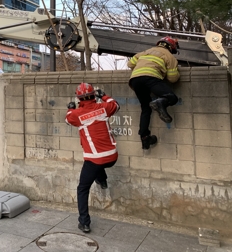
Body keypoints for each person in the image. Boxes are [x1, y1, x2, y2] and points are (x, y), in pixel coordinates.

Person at [65, 83, 120, 234]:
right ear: (93, 95)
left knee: (82, 189)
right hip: (113, 156)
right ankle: (102, 180)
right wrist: (103, 95)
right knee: (98, 166)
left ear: (79, 98)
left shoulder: (77, 114)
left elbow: (68, 119)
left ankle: (84, 223)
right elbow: (115, 104)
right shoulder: (104, 108)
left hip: (95, 160)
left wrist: (71, 107)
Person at [127, 36, 180, 150]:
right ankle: (161, 102)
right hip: (151, 78)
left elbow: (130, 64)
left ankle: (145, 138)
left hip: (135, 80)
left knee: (146, 108)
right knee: (172, 97)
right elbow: (173, 78)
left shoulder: (145, 52)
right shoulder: (169, 56)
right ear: (171, 47)